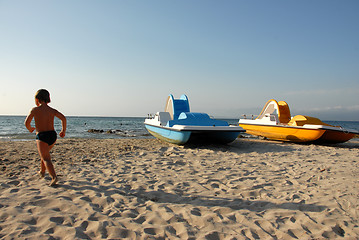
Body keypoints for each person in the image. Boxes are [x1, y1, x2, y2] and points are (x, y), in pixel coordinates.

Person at [24, 89, 67, 186]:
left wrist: (30, 128)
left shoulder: (35, 110)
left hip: (42, 136)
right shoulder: (52, 110)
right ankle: (42, 172)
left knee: (46, 158)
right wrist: (63, 130)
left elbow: (26, 122)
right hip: (52, 135)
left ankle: (54, 177)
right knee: (44, 155)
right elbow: (63, 118)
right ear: (48, 98)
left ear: (37, 99)